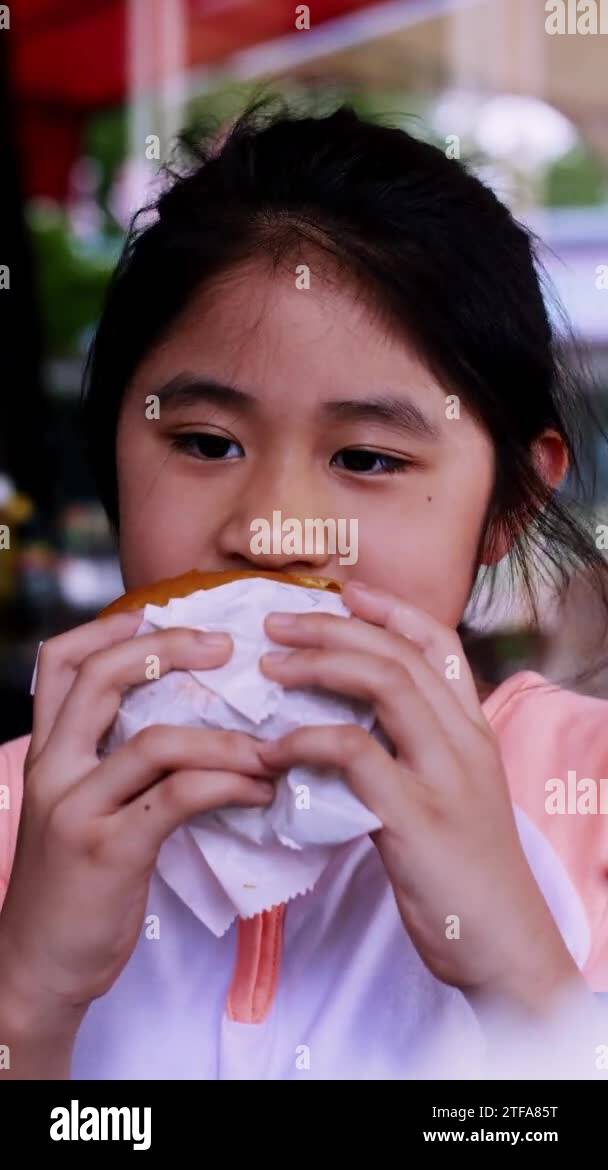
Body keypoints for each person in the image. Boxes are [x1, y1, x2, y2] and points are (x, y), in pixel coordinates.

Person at [0, 97, 607, 1080]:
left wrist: (519, 976)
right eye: (203, 443)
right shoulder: (17, 813)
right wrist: (26, 997)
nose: (274, 531)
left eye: (366, 458)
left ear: (507, 503)